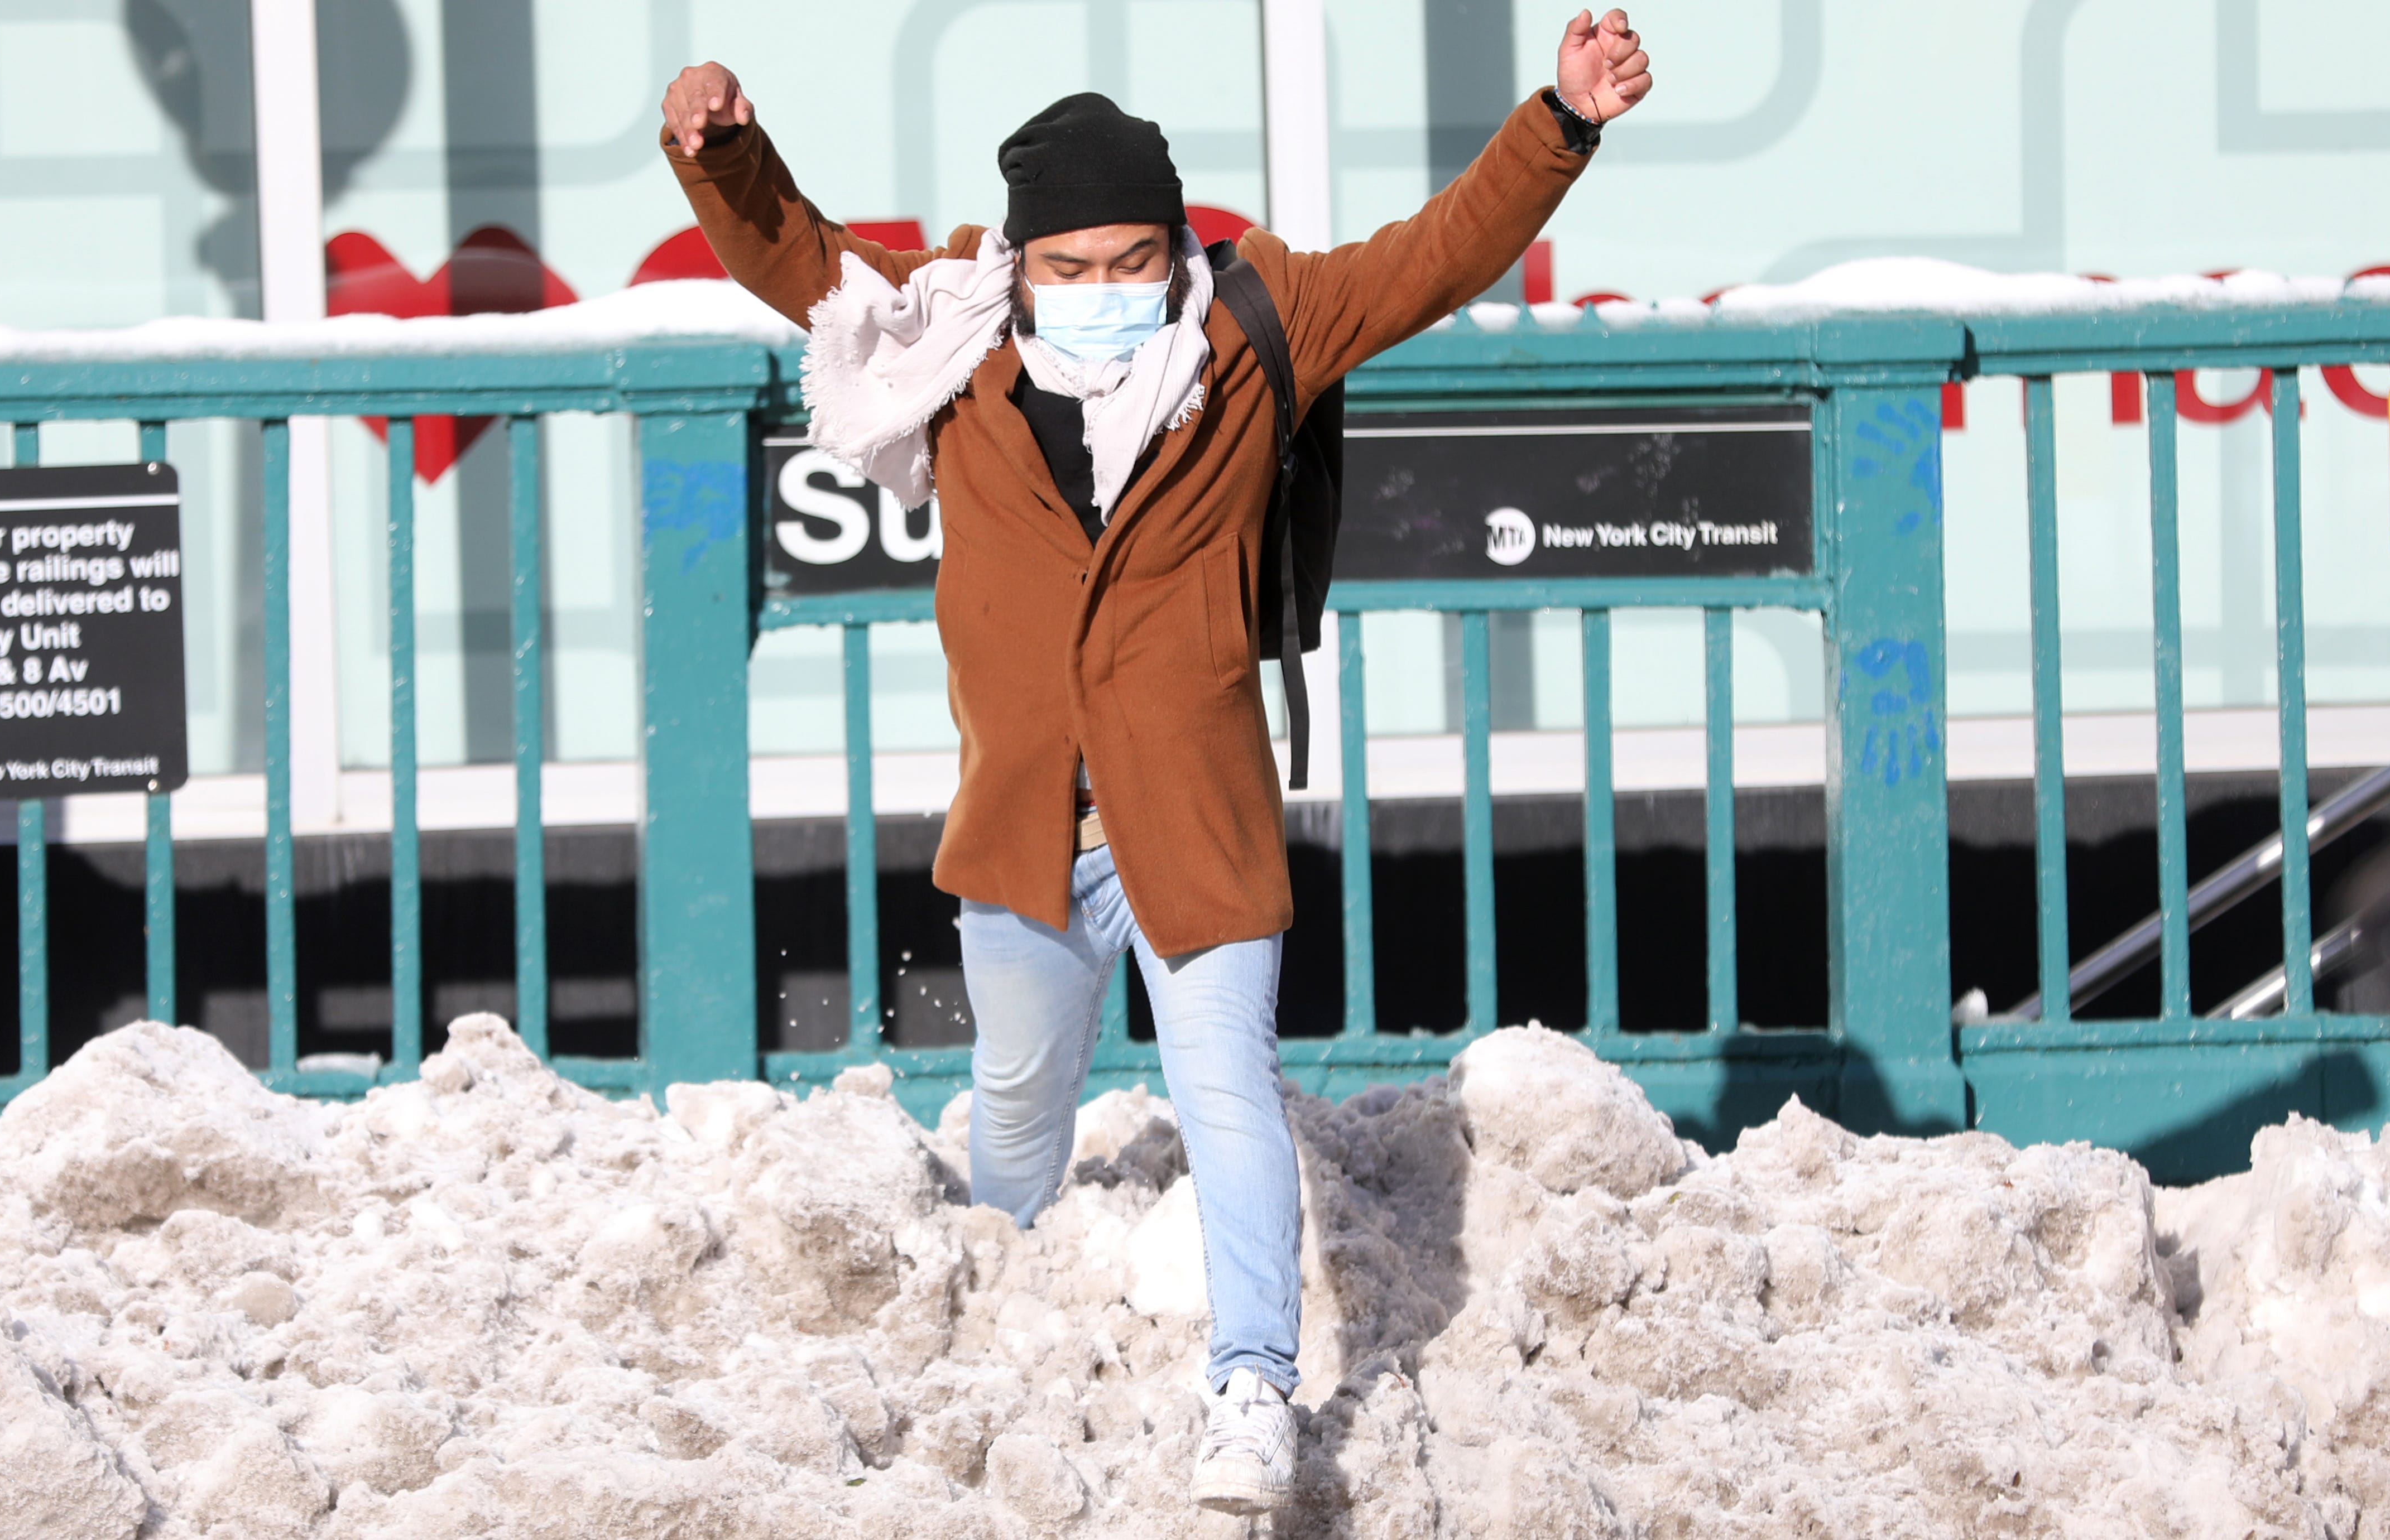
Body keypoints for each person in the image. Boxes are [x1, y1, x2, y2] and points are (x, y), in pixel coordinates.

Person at [661, 11, 1650, 1515]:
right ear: (1023, 263)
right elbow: (798, 257)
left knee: (1228, 1094)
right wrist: (724, 152)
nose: (1105, 294)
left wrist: (1557, 124)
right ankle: (1001, 1311)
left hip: (1188, 824)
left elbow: (1438, 251)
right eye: (1070, 269)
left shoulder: (1260, 327)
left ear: (1174, 245)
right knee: (1012, 1103)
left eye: (1133, 262)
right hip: (1022, 831)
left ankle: (1251, 1385)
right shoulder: (957, 332)